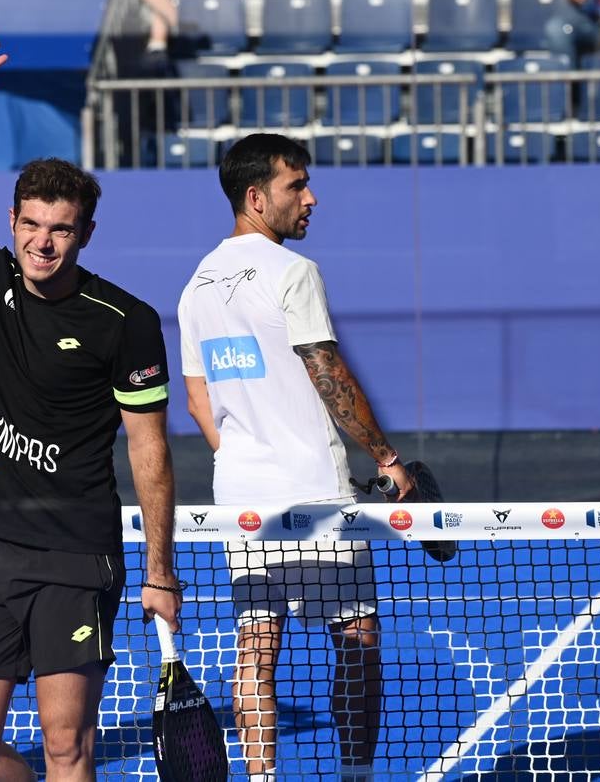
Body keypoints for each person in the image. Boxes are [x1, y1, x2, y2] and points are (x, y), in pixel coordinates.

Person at [0, 35, 182, 781]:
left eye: (61, 229)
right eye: (32, 224)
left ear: (84, 232)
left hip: (76, 553)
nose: (43, 242)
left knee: (66, 746)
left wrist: (160, 568)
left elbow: (149, 451)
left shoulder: (125, 320)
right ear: (13, 220)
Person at [176, 133, 413, 782]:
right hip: (318, 493)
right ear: (256, 197)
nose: (311, 198)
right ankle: (356, 778)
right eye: (296, 186)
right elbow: (327, 370)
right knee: (358, 642)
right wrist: (388, 459)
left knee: (255, 650)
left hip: (242, 496)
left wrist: (252, 457)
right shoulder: (294, 272)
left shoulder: (195, 285)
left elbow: (200, 404)